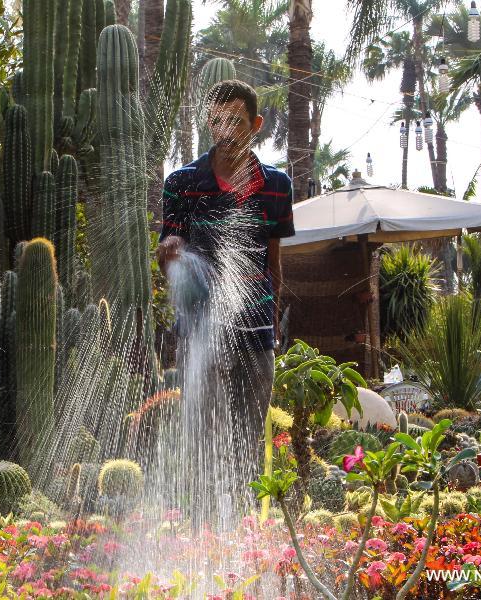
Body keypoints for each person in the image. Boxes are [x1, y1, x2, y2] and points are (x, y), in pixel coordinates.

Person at [155, 79, 295, 514]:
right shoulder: (182, 183)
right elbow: (170, 251)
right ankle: (201, 530)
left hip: (255, 334)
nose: (226, 129)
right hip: (200, 332)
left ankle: (243, 530)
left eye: (236, 121)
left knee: (248, 439)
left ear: (255, 125)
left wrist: (273, 317)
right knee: (202, 437)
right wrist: (169, 256)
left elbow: (272, 260)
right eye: (218, 120)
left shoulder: (276, 186)